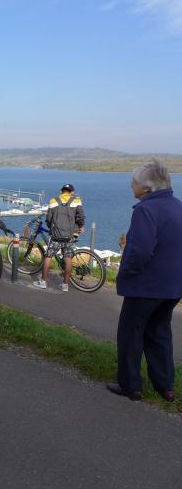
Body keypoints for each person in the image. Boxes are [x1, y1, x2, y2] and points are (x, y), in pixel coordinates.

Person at [107, 161, 182, 402]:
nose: (131, 186)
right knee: (159, 333)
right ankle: (166, 386)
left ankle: (131, 386)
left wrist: (126, 273)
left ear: (147, 188)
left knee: (131, 334)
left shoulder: (145, 210)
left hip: (145, 286)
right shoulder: (178, 206)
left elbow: (139, 251)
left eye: (134, 182)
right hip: (173, 286)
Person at [32, 184, 85, 292]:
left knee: (48, 256)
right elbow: (80, 216)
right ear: (71, 192)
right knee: (68, 258)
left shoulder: (53, 201)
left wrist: (51, 228)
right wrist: (80, 226)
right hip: (69, 235)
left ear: (61, 191)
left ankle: (43, 282)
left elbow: (48, 218)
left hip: (56, 236)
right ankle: (65, 285)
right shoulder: (77, 200)